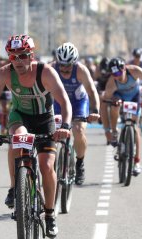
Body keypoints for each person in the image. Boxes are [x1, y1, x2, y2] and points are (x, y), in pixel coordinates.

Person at [0, 34, 72, 239]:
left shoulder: (45, 72)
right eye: (13, 57)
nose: (18, 61)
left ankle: (49, 214)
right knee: (17, 140)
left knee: (47, 166)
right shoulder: (4, 73)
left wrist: (65, 125)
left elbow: (64, 101)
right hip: (19, 116)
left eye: (23, 56)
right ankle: (14, 187)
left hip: (44, 119)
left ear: (32, 55)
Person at [52, 42, 100, 185]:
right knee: (52, 133)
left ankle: (80, 163)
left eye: (67, 65)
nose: (64, 69)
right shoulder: (52, 68)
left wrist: (95, 110)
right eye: (61, 65)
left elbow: (92, 91)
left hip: (78, 102)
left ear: (74, 62)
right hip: (59, 102)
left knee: (78, 131)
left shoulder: (81, 70)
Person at [103, 57, 142, 175]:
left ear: (124, 69)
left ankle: (137, 161)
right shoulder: (112, 82)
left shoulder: (135, 71)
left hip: (135, 96)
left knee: (135, 127)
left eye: (118, 73)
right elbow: (105, 99)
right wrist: (107, 129)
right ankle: (115, 131)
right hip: (120, 96)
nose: (117, 76)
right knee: (114, 105)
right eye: (113, 74)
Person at [94, 57, 114, 144]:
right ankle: (100, 113)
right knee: (101, 99)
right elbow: (95, 79)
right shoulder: (98, 69)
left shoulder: (111, 69)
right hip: (101, 84)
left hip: (110, 84)